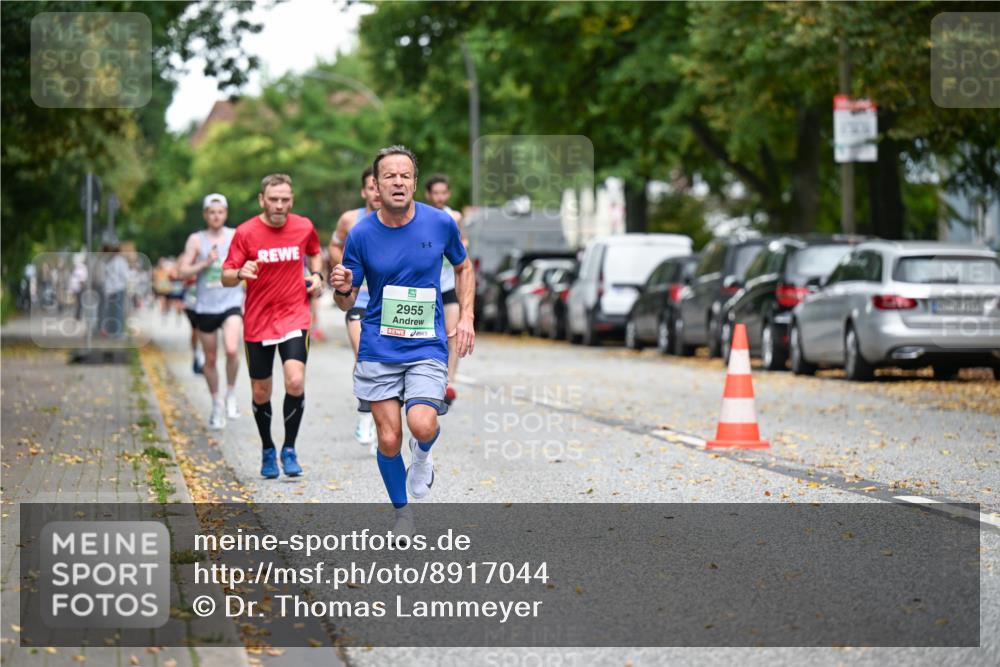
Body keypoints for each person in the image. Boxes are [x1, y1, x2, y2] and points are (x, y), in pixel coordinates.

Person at [331, 146, 475, 539]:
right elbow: (347, 298)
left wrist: (466, 316)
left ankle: (424, 458)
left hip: (426, 343)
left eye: (405, 175)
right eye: (389, 176)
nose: (398, 182)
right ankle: (402, 514)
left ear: (414, 182)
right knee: (390, 437)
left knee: (422, 424)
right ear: (375, 186)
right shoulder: (360, 234)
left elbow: (463, 266)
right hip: (379, 344)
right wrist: (341, 289)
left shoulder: (439, 223)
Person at [222, 174, 324, 479]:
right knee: (260, 391)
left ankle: (289, 448)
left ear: (291, 200)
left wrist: (317, 276)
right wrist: (241, 271)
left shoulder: (304, 226)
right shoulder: (246, 232)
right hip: (258, 319)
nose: (279, 205)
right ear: (262, 200)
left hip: (295, 315)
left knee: (295, 382)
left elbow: (315, 251)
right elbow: (225, 275)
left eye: (285, 199)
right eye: (274, 199)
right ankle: (267, 447)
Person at [177, 193, 246, 430]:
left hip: (231, 302)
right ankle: (216, 403)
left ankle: (231, 394)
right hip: (206, 306)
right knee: (210, 358)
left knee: (231, 349)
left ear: (225, 214)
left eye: (220, 212)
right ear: (206, 215)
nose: (216, 216)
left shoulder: (236, 235)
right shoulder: (197, 240)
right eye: (211, 212)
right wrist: (204, 263)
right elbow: (183, 271)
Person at [329, 167, 382, 450]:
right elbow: (334, 245)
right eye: (371, 187)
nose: (376, 192)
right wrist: (345, 268)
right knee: (364, 354)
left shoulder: (399, 220)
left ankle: (383, 416)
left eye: (379, 185)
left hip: (390, 303)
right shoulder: (351, 220)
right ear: (364, 191)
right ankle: (365, 414)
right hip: (359, 301)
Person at [424, 175, 469, 404]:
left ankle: (449, 382)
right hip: (428, 287)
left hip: (449, 284)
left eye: (443, 193)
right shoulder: (420, 218)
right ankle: (431, 380)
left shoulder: (455, 217)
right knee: (431, 335)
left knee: (452, 332)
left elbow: (463, 244)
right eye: (436, 193)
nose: (440, 197)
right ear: (428, 195)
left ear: (448, 194)